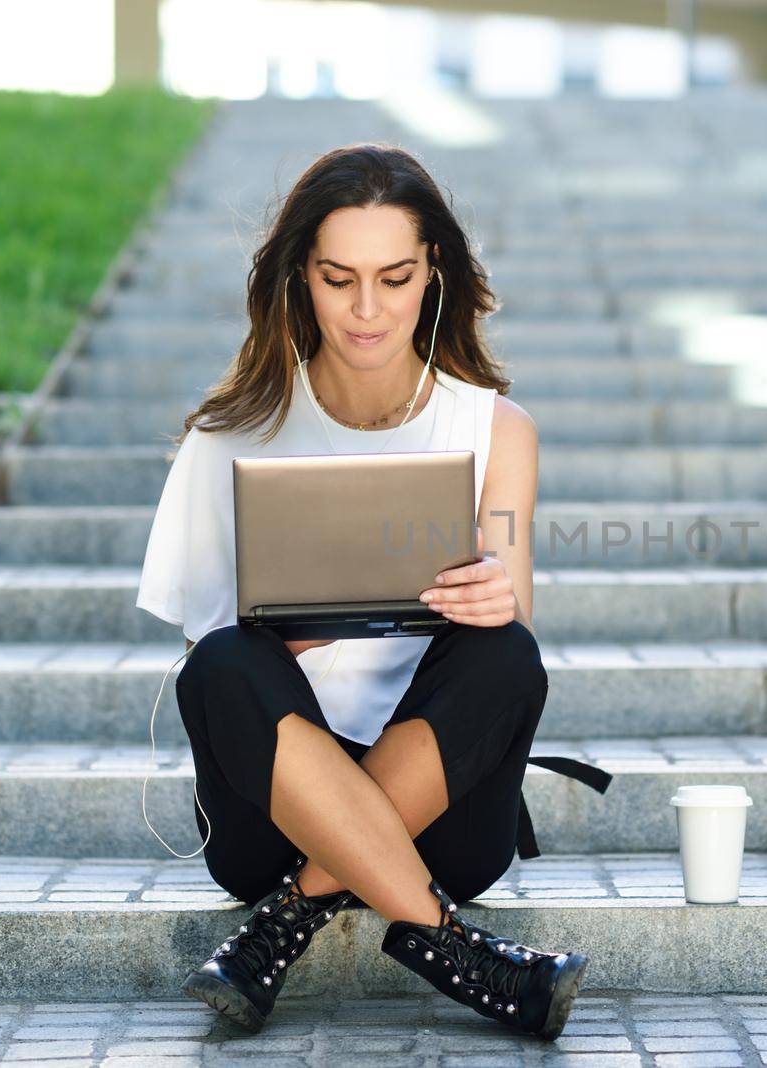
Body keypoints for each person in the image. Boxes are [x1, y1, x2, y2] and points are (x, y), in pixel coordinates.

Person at [133, 143, 610, 1042]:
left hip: (447, 821)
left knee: (506, 648)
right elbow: (211, 672)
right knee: (226, 661)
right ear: (299, 279)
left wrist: (486, 597)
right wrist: (282, 642)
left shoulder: (497, 431)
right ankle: (455, 951)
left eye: (393, 277)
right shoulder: (227, 435)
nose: (365, 309)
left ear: (435, 272)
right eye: (336, 277)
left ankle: (286, 920)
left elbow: (514, 631)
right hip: (269, 814)